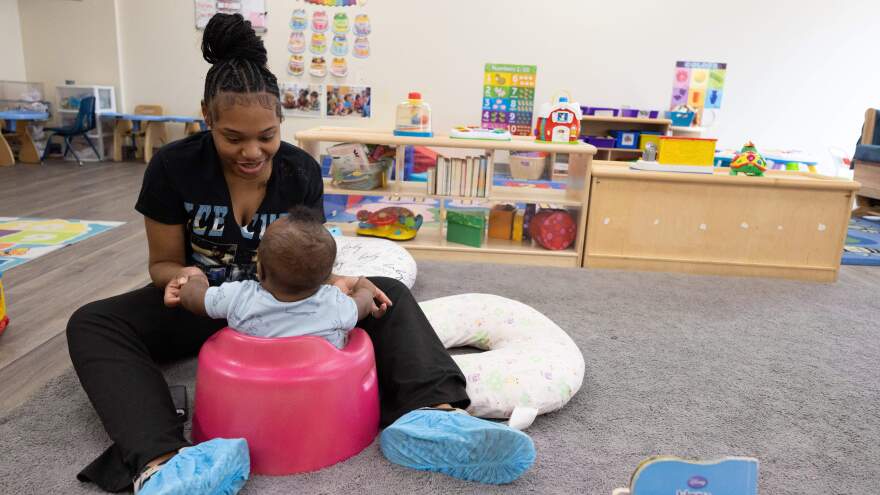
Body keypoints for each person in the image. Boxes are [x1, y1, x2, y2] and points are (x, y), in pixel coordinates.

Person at [66, 13, 534, 495]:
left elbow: (309, 257)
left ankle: (434, 419)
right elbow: (160, 262)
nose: (252, 151)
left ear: (281, 120)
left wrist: (342, 283)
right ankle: (164, 461)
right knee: (93, 322)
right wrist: (180, 277)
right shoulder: (173, 166)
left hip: (290, 305)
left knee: (386, 292)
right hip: (204, 305)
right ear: (207, 117)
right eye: (233, 138)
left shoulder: (299, 170)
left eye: (266, 135)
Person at [174, 205, 387, 346]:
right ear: (325, 276)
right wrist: (364, 286)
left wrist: (194, 278)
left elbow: (193, 299)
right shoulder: (335, 302)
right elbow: (363, 304)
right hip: (319, 385)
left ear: (261, 270)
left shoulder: (239, 296)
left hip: (254, 380)